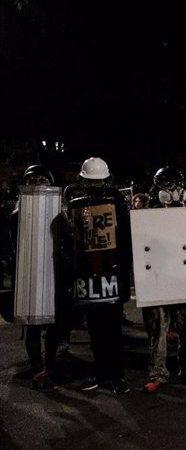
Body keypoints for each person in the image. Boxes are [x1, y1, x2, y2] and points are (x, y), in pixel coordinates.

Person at [141, 167, 186, 393]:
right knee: (157, 330)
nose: (171, 191)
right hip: (157, 279)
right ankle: (157, 373)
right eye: (166, 186)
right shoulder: (146, 214)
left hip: (182, 278)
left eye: (175, 186)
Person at [68, 157, 131, 394]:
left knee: (111, 329)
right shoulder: (78, 205)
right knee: (97, 329)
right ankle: (104, 373)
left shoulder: (116, 203)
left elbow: (124, 240)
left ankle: (115, 374)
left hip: (107, 275)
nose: (94, 187)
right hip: (92, 276)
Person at [11, 165, 70, 391]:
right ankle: (38, 371)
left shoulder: (58, 211)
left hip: (56, 273)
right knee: (34, 325)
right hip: (32, 273)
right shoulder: (18, 213)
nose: (38, 184)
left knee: (55, 324)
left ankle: (51, 363)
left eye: (42, 179)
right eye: (33, 180)